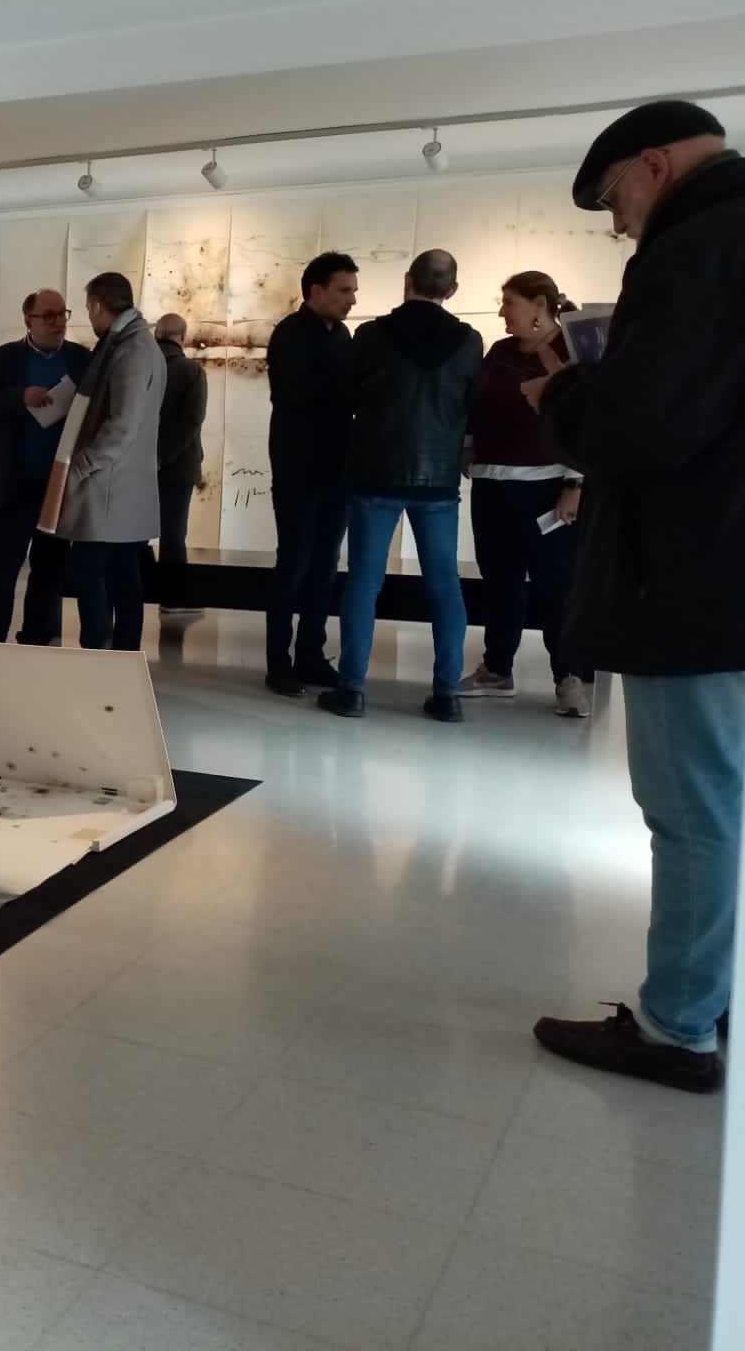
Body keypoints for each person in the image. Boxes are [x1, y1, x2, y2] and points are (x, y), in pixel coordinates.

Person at [531, 100, 745, 1093]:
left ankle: (674, 1028)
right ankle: (702, 998)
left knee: (689, 810)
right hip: (720, 567)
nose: (617, 224)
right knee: (716, 800)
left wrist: (562, 396)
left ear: (652, 165)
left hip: (689, 576)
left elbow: (640, 430)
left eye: (613, 198)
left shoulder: (696, 249)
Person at [318, 249, 481, 723]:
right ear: (452, 289)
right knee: (444, 585)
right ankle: (446, 695)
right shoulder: (469, 341)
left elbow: (348, 397)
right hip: (438, 478)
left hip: (375, 471)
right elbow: (471, 406)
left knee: (363, 583)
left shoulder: (371, 335)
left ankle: (352, 689)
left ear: (407, 280)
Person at [459, 270, 592, 717]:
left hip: (548, 489)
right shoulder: (499, 353)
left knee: (556, 586)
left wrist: (575, 483)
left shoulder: (569, 351)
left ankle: (568, 676)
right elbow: (476, 406)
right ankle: (497, 669)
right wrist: (468, 447)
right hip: (493, 485)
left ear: (539, 304)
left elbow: (584, 422)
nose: (502, 311)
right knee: (500, 582)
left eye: (509, 302)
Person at [0, 289, 91, 644]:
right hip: (14, 483)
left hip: (60, 485)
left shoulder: (82, 360)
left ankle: (38, 640)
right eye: (48, 315)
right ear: (28, 321)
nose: (58, 322)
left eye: (62, 314)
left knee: (50, 571)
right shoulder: (2, 360)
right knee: (1, 570)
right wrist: (19, 398)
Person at [264, 253, 360, 697]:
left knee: (325, 566)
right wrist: (350, 389)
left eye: (353, 290)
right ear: (316, 290)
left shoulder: (342, 335)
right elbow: (295, 394)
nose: (352, 299)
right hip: (298, 470)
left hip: (337, 470)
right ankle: (278, 662)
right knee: (294, 564)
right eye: (344, 290)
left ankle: (310, 654)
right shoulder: (289, 335)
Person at [57, 273, 164, 651]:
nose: (89, 315)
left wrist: (82, 464)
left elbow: (122, 425)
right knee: (123, 574)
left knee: (88, 571)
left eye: (88, 308)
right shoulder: (136, 343)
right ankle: (123, 651)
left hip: (110, 486)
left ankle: (98, 649)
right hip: (122, 486)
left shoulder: (130, 348)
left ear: (100, 306)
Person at [147, 312, 208, 618]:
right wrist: (165, 456)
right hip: (178, 467)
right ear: (182, 337)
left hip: (139, 465)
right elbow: (192, 422)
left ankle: (132, 591)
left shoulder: (143, 369)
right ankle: (172, 598)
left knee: (134, 532)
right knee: (173, 534)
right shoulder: (192, 371)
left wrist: (150, 457)